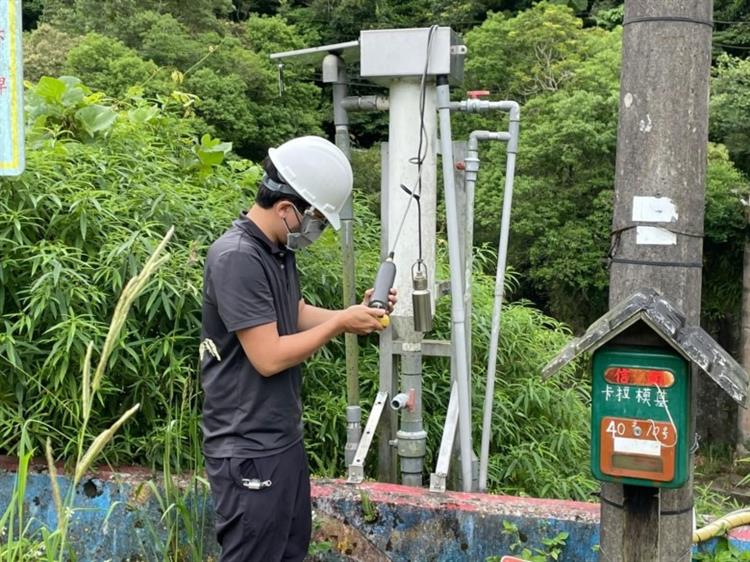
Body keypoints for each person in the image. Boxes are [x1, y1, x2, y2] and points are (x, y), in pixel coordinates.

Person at [200, 135, 395, 562]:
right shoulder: (237, 257)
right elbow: (268, 357)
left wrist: (354, 314)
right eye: (318, 221)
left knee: (289, 552)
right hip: (248, 447)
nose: (317, 232)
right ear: (287, 209)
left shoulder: (276, 252)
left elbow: (296, 313)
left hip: (281, 440)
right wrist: (341, 323)